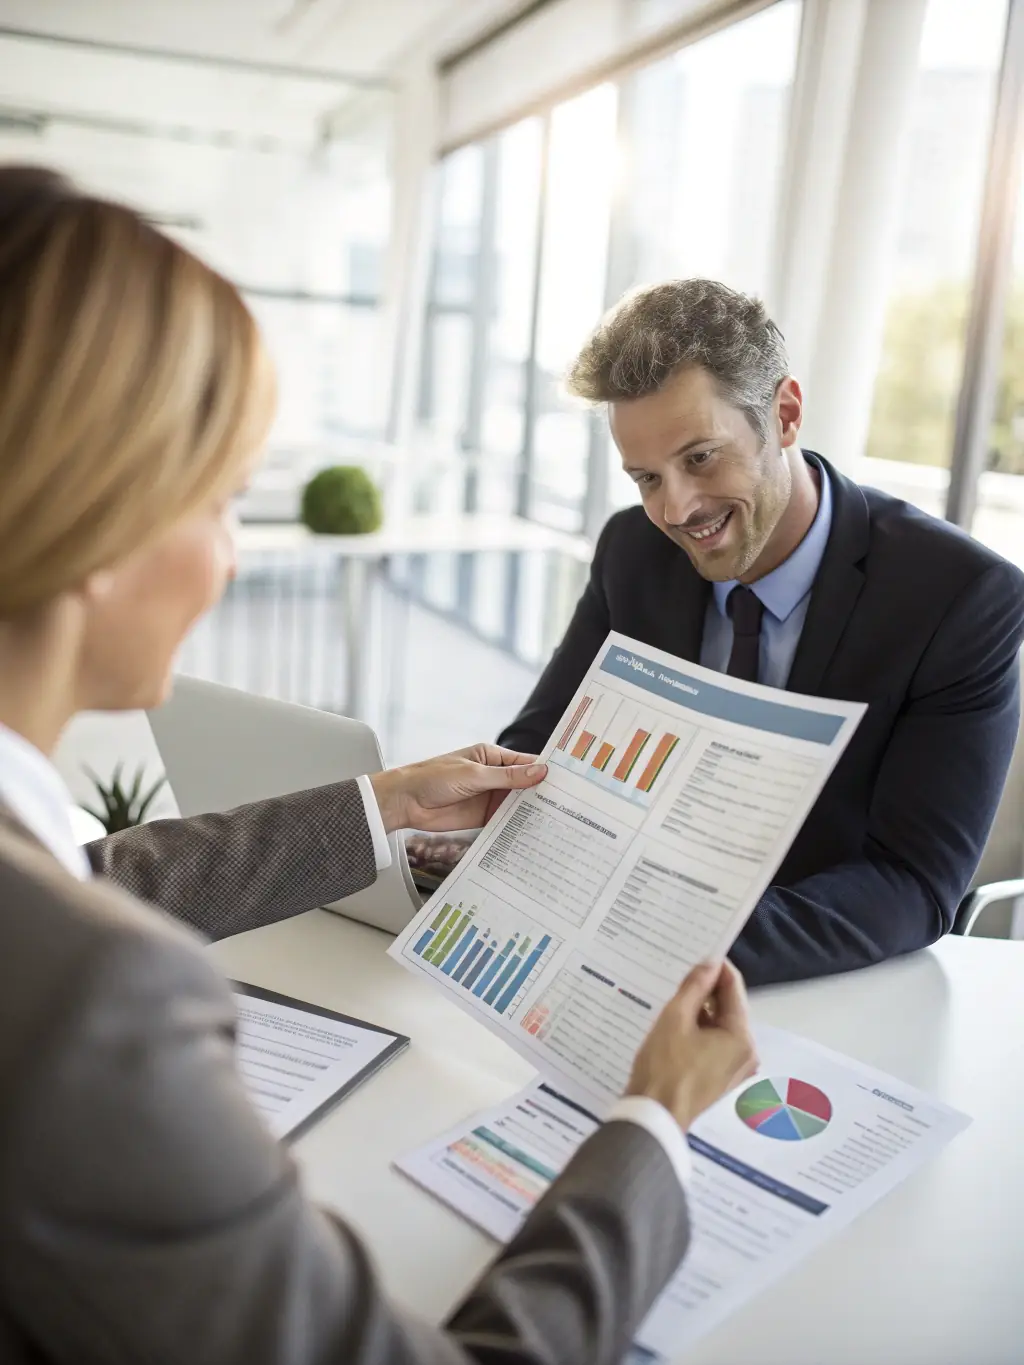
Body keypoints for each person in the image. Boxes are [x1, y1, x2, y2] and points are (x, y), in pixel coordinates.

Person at [0, 167, 758, 1365]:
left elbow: (78, 881)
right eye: (221, 502)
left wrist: (382, 806)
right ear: (98, 526)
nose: (233, 561)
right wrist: (655, 1125)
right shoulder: (96, 1011)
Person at [499, 278, 1024, 988]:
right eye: (647, 477)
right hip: (601, 958)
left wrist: (661, 940)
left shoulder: (958, 597)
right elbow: (538, 747)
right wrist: (454, 833)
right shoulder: (633, 549)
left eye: (700, 457)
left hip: (816, 982)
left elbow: (915, 883)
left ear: (784, 413)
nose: (677, 509)